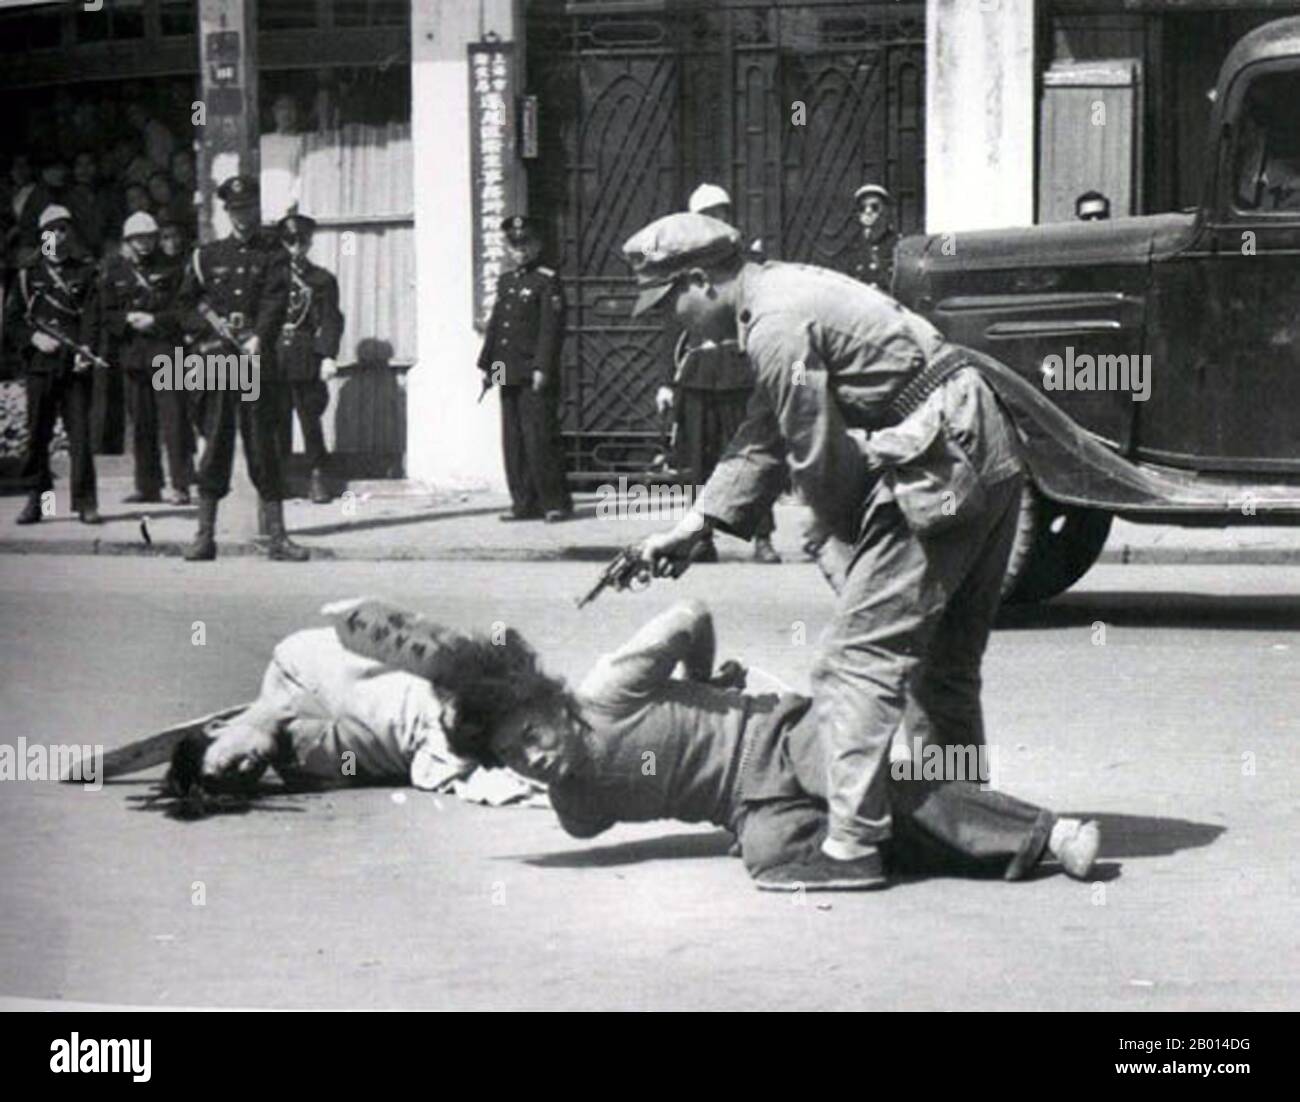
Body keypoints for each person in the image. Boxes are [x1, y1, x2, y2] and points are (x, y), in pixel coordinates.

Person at [622, 212, 1025, 890]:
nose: (674, 322)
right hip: (984, 448)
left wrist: (839, 539)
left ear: (699, 280)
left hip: (937, 460)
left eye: (671, 304)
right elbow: (767, 429)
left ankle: (852, 848)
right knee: (944, 669)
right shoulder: (782, 291)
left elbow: (812, 448)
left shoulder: (773, 325)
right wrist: (699, 523)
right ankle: (960, 819)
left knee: (854, 660)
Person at [305, 598, 1098, 890]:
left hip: (781, 735)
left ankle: (1044, 834)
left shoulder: (607, 688)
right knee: (775, 861)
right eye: (516, 757)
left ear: (546, 702)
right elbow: (501, 766)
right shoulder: (575, 809)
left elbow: (686, 613)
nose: (535, 756)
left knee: (855, 787)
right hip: (749, 808)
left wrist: (704, 674)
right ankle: (915, 847)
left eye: (532, 734)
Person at [156, 601, 548, 815]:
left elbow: (395, 638)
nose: (247, 769)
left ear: (215, 729)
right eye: (242, 781)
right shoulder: (305, 771)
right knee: (528, 778)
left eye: (227, 764)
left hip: (455, 692)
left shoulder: (295, 657)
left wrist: (468, 676)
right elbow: (389, 766)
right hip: (444, 751)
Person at [176, 174, 307, 562]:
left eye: (248, 208)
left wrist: (258, 338)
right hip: (217, 363)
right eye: (236, 210)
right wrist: (205, 330)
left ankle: (278, 538)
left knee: (263, 446)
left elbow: (276, 299)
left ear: (257, 208)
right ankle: (204, 536)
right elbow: (184, 306)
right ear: (227, 212)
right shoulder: (207, 256)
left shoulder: (274, 253)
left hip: (254, 362)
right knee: (214, 445)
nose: (243, 216)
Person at [655, 183, 780, 565]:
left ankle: (762, 537)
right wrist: (665, 380)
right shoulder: (681, 264)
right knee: (698, 457)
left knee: (746, 453)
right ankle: (700, 537)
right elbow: (673, 324)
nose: (716, 220)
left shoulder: (745, 259)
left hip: (738, 370)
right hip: (696, 373)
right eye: (708, 214)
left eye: (721, 213)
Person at [5, 204, 101, 525]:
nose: (58, 235)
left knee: (81, 437)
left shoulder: (85, 272)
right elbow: (13, 322)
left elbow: (91, 316)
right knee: (38, 436)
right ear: (42, 235)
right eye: (52, 229)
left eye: (63, 229)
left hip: (74, 366)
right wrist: (34, 339)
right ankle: (40, 502)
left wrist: (85, 350)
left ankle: (85, 503)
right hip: (41, 365)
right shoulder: (26, 275)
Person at [476, 214, 573, 523]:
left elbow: (550, 329)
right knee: (513, 439)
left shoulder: (547, 281)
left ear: (537, 245)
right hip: (507, 368)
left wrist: (543, 366)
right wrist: (489, 366)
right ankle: (523, 502)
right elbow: (496, 327)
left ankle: (554, 502)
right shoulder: (506, 281)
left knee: (540, 437)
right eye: (514, 246)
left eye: (526, 244)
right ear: (507, 248)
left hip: (533, 370)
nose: (520, 251)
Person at [100, 211, 192, 505]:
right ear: (127, 240)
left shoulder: (174, 268)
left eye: (149, 237)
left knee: (174, 420)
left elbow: (184, 311)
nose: (143, 243)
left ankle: (180, 484)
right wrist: (126, 319)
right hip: (134, 355)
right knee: (140, 422)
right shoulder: (114, 271)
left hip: (167, 351)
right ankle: (147, 485)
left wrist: (154, 320)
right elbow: (105, 312)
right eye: (137, 238)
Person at [275, 212, 344, 504]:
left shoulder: (322, 279)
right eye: (290, 241)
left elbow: (331, 319)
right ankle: (278, 478)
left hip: (306, 355)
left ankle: (318, 475)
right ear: (282, 241)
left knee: (310, 419)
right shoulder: (271, 276)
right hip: (274, 354)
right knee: (276, 420)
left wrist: (327, 355)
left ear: (310, 242)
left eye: (302, 241)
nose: (296, 247)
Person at [850, 183, 898, 292]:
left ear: (886, 211)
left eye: (874, 207)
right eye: (862, 208)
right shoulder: (854, 246)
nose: (868, 211)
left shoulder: (897, 245)